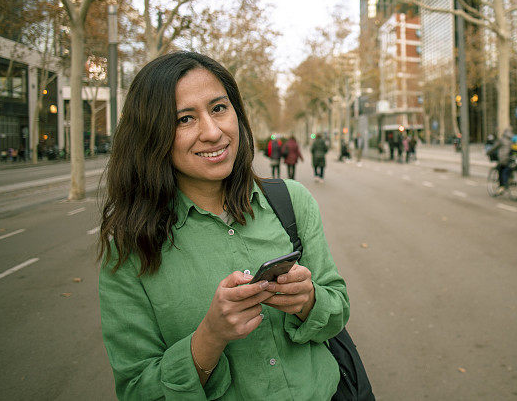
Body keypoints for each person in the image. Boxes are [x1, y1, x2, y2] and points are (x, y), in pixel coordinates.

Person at [97, 52, 349, 400]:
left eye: (218, 108)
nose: (213, 132)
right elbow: (137, 389)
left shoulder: (292, 202)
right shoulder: (128, 248)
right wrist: (209, 338)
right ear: (151, 134)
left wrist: (309, 300)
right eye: (185, 119)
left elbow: (337, 308)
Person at [488, 128, 514, 194]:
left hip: (503, 159)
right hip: (512, 159)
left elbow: (494, 147)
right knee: (509, 168)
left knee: (500, 170)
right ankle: (510, 179)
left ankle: (502, 187)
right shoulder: (512, 140)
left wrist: (488, 152)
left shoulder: (502, 139)